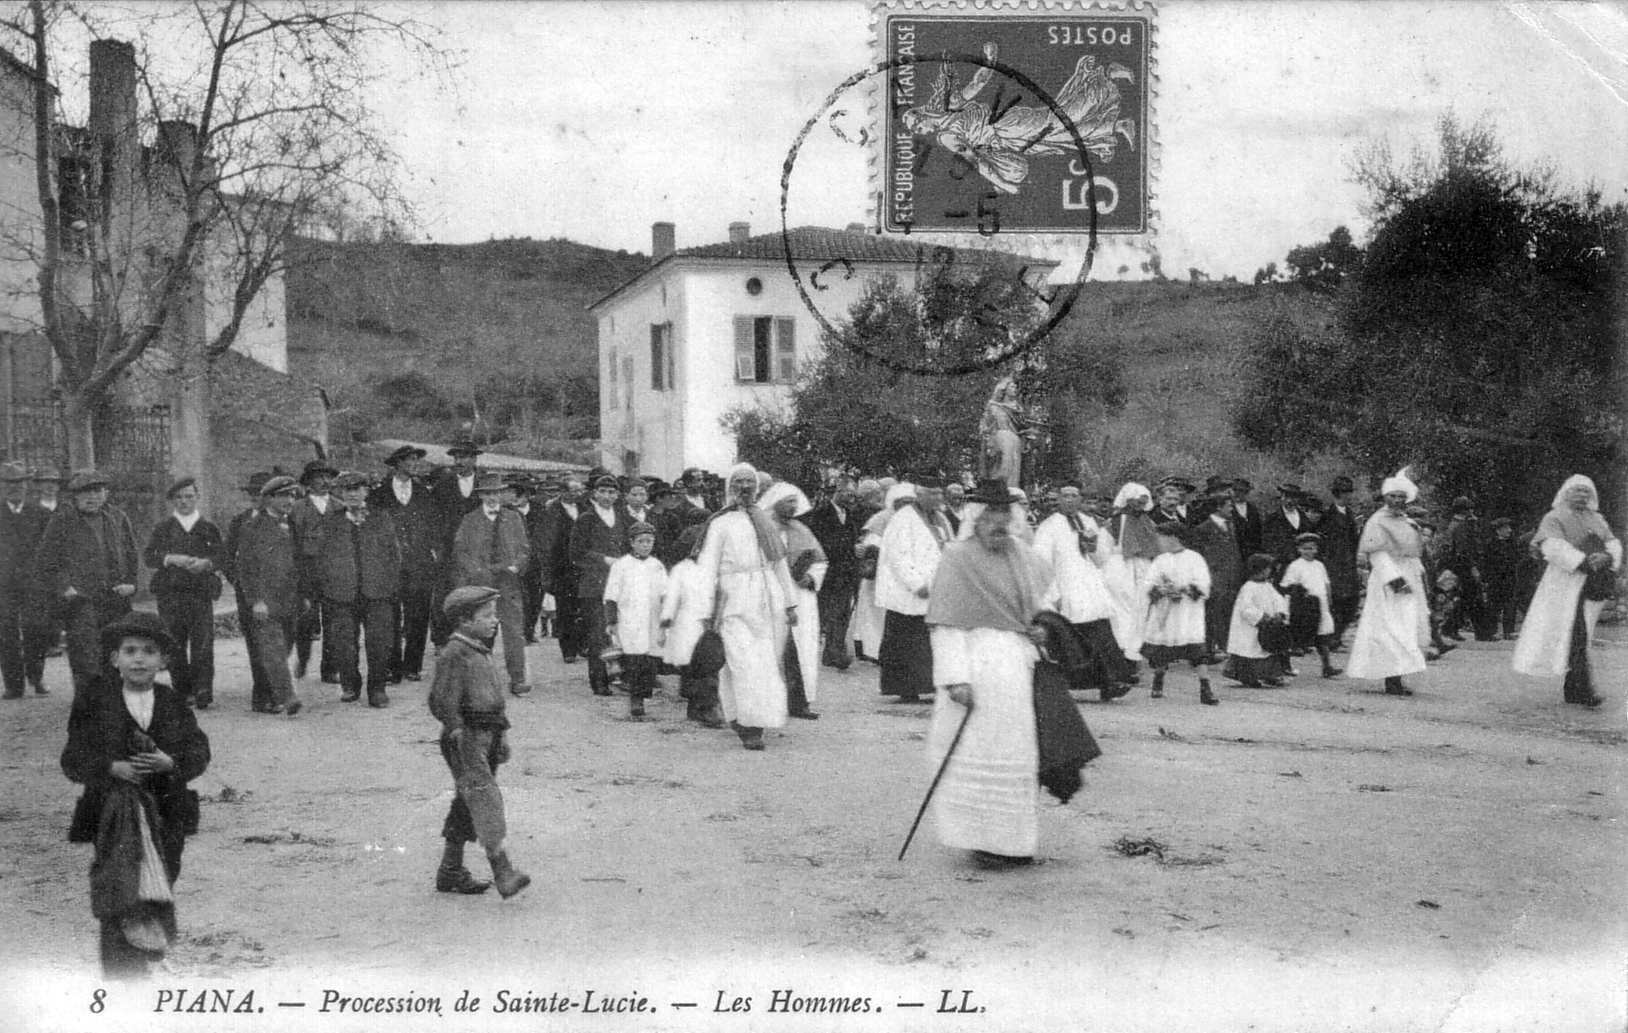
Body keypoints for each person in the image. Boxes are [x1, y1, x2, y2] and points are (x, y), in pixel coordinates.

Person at [62, 612, 210, 976]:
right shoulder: (95, 700)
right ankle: (119, 978)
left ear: (164, 661)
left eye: (148, 651)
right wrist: (111, 768)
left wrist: (169, 762)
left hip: (166, 813)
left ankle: (146, 954)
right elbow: (72, 758)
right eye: (129, 651)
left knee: (161, 882)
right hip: (113, 815)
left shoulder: (172, 701)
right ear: (115, 659)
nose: (139, 659)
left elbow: (199, 752)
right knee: (119, 889)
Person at [923, 478, 1050, 868]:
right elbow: (945, 624)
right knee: (976, 753)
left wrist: (1041, 629)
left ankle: (1014, 843)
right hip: (975, 665)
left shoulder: (1022, 557)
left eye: (1004, 514)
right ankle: (981, 841)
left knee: (1016, 755)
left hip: (1015, 666)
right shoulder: (956, 558)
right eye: (990, 514)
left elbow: (1041, 606)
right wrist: (955, 677)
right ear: (975, 516)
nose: (999, 522)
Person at [427, 586, 531, 899]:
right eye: (486, 616)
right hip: (467, 739)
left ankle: (450, 870)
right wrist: (458, 733)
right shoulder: (455, 654)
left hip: (488, 736)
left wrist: (503, 736)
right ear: (464, 621)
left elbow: (494, 702)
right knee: (485, 799)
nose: (494, 621)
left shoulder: (477, 650)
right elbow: (441, 700)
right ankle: (503, 870)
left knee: (466, 802)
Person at [694, 463, 797, 751]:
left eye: (749, 482)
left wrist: (790, 603)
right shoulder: (720, 523)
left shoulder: (765, 521)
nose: (744, 487)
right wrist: (704, 609)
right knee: (742, 663)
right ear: (730, 487)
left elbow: (779, 563)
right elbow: (707, 567)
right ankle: (748, 726)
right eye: (738, 482)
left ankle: (752, 718)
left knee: (765, 665)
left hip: (767, 601)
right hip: (733, 599)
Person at [1512, 475, 1621, 707]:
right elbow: (1552, 546)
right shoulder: (1554, 517)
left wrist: (1608, 556)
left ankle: (1575, 688)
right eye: (1577, 491)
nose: (1582, 495)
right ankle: (1582, 688)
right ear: (1566, 492)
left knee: (1581, 636)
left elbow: (1612, 542)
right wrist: (1583, 561)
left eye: (1586, 491)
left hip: (1592, 582)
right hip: (1565, 582)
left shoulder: (1598, 519)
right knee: (1576, 634)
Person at [36, 471, 139, 702]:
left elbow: (132, 555)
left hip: (114, 598)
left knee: (115, 652)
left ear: (105, 494)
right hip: (81, 601)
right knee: (85, 656)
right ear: (75, 496)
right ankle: (89, 708)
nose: (91, 497)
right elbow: (46, 561)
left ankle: (114, 704)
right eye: (85, 492)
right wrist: (65, 587)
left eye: (97, 491)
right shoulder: (63, 520)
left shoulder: (117, 517)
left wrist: (132, 584)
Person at [1032, 480, 1130, 699]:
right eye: (1065, 495)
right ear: (1058, 499)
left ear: (1080, 499)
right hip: (1066, 585)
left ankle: (1111, 681)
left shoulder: (1088, 522)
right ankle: (1070, 682)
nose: (1069, 500)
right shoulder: (1049, 526)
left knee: (1101, 631)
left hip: (1089, 585)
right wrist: (1052, 592)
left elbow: (1102, 558)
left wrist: (1093, 547)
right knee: (1072, 637)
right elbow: (1042, 562)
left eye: (1074, 496)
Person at [316, 472, 402, 708]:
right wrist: (328, 587)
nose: (352, 494)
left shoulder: (381, 518)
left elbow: (393, 555)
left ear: (366, 491)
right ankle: (350, 684)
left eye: (357, 488)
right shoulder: (331, 521)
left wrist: (389, 586)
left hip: (377, 593)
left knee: (379, 642)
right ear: (340, 494)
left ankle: (377, 689)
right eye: (347, 489)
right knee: (343, 643)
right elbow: (322, 558)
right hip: (341, 594)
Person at [1346, 469, 1430, 696]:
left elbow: (1412, 552)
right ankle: (1391, 678)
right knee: (1390, 627)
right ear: (1385, 497)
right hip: (1389, 578)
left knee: (1406, 626)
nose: (1397, 500)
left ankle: (1399, 674)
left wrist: (1416, 572)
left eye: (1401, 496)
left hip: (1408, 573)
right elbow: (1377, 553)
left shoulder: (1407, 521)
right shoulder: (1377, 521)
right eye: (1393, 496)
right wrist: (1394, 579)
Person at [142, 477, 224, 709]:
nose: (184, 501)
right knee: (174, 643)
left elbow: (221, 556)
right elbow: (149, 556)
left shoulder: (208, 528)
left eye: (189, 496)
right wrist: (170, 559)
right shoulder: (163, 528)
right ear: (172, 501)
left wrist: (206, 563)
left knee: (203, 643)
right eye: (179, 497)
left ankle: (203, 689)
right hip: (171, 594)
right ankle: (182, 690)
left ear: (197, 497)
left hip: (200, 593)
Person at [453, 474, 533, 696]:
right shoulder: (470, 520)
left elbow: (524, 548)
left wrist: (516, 566)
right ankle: (477, 679)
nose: (492, 497)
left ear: (502, 494)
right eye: (487, 493)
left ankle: (517, 679)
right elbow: (461, 551)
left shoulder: (513, 518)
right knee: (479, 630)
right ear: (480, 496)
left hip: (508, 582)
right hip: (481, 583)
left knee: (514, 632)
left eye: (496, 493)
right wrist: (475, 572)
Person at [877, 475, 953, 703]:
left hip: (938, 588)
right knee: (906, 640)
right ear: (919, 495)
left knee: (930, 641)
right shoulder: (904, 519)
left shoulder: (941, 518)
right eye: (933, 494)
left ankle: (929, 683)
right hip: (910, 592)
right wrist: (916, 583)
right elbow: (898, 555)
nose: (938, 498)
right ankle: (905, 687)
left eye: (940, 493)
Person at [233, 476, 305, 716]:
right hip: (265, 602)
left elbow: (298, 563)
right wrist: (256, 600)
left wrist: (303, 595)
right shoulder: (252, 528)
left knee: (283, 648)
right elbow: (245, 568)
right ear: (269, 499)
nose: (289, 500)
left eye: (293, 496)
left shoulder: (292, 525)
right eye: (284, 495)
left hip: (289, 600)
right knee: (273, 649)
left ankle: (264, 697)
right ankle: (287, 697)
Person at [369, 445, 441, 683]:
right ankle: (392, 667)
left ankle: (413, 665)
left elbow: (433, 526)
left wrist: (432, 552)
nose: (414, 464)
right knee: (390, 614)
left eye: (416, 460)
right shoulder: (378, 495)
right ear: (397, 463)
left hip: (419, 564)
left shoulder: (424, 494)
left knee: (418, 615)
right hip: (389, 564)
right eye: (409, 460)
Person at [761, 481, 827, 720]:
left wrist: (811, 577)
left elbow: (820, 560)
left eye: (794, 502)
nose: (793, 506)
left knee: (803, 646)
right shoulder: (763, 528)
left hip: (801, 597)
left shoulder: (801, 529)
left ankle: (800, 701)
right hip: (774, 593)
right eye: (788, 501)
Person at [1141, 521, 1217, 705]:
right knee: (1162, 649)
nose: (1158, 541)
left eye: (1161, 538)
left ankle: (1205, 688)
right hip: (1166, 610)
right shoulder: (1160, 560)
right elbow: (1149, 582)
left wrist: (1183, 589)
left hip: (1187, 611)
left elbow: (1203, 583)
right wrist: (1161, 589)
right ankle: (1158, 679)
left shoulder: (1194, 558)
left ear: (1172, 538)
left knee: (1196, 650)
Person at [569, 474, 630, 695]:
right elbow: (575, 553)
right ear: (594, 494)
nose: (607, 496)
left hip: (619, 584)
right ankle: (599, 681)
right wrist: (603, 559)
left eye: (611, 492)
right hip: (594, 584)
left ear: (617, 495)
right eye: (602, 491)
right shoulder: (586, 518)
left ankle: (622, 675)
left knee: (621, 629)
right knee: (597, 633)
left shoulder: (623, 517)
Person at [660, 525, 723, 727]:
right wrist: (666, 620)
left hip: (709, 623)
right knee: (691, 665)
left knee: (709, 665)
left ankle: (707, 706)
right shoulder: (681, 570)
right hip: (686, 622)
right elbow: (672, 597)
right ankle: (697, 707)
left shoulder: (715, 568)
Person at [604, 521, 668, 718]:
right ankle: (636, 700)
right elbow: (611, 595)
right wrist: (612, 621)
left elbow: (665, 592)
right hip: (630, 619)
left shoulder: (656, 565)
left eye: (649, 541)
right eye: (641, 541)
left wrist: (667, 616)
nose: (646, 545)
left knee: (650, 659)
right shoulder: (622, 566)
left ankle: (643, 693)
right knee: (634, 659)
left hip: (652, 618)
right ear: (632, 542)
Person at [223, 471, 273, 700]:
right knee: (256, 641)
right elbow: (227, 556)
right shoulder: (240, 521)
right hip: (249, 593)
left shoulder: (283, 521)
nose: (256, 498)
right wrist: (237, 580)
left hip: (277, 591)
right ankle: (262, 694)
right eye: (253, 493)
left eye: (261, 494)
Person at [289, 459, 339, 683]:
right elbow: (292, 543)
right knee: (306, 620)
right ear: (308, 483)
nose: (324, 481)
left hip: (333, 572)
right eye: (318, 477)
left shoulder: (340, 506)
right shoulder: (297, 509)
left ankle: (329, 669)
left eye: (328, 477)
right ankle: (303, 657)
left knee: (333, 620)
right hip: (307, 572)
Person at [803, 475, 861, 670]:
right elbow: (819, 543)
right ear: (838, 492)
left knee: (843, 611)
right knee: (828, 612)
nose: (852, 499)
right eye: (849, 494)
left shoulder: (850, 516)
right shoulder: (819, 515)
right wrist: (848, 548)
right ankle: (832, 651)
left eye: (854, 495)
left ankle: (833, 652)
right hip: (829, 572)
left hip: (847, 572)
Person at [1, 462, 48, 698]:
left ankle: (36, 676)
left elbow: (50, 550)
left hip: (34, 584)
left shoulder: (40, 514)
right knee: (5, 632)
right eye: (9, 483)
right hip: (3, 586)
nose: (14, 488)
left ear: (26, 485)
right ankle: (13, 685)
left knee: (36, 629)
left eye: (19, 483)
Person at [850, 481, 909, 664]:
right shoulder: (882, 518)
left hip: (898, 576)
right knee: (873, 615)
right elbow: (871, 544)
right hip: (878, 576)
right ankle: (872, 651)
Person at [1188, 482, 1242, 664]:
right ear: (1218, 507)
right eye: (1228, 506)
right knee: (1211, 614)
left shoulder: (1231, 525)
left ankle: (1223, 647)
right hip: (1213, 577)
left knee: (1226, 612)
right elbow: (1199, 556)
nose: (1232, 509)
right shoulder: (1203, 529)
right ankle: (1208, 651)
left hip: (1230, 577)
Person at [1280, 532, 1342, 678]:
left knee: (1322, 636)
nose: (1309, 551)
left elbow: (1326, 584)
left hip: (1320, 605)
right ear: (1299, 550)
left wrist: (1329, 599)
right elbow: (1288, 586)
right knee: (1294, 636)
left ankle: (1327, 666)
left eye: (1312, 548)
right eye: (1305, 548)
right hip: (1303, 606)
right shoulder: (1295, 566)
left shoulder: (1319, 565)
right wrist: (1300, 594)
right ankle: (1285, 665)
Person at [538, 475, 585, 663]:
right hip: (562, 569)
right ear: (564, 491)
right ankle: (568, 650)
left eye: (580, 490)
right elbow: (546, 543)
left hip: (582, 568)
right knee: (565, 611)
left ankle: (583, 645)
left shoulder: (584, 508)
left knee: (583, 608)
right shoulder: (552, 510)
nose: (579, 494)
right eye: (574, 490)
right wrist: (548, 573)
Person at [1227, 553, 1290, 688]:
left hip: (1267, 625)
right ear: (1259, 569)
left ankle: (1270, 675)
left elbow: (1278, 599)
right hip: (1250, 626)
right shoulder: (1248, 587)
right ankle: (1248, 677)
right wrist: (1262, 617)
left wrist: (1280, 612)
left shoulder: (1267, 586)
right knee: (1250, 649)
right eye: (1267, 568)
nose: (1270, 571)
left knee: (1267, 648)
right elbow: (1245, 608)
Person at [1439, 496, 1492, 641]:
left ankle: (1450, 627)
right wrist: (1473, 567)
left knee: (1466, 599)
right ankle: (1482, 633)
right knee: (1474, 599)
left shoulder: (1453, 525)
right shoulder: (1461, 527)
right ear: (1466, 510)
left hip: (1458, 566)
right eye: (1470, 508)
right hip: (1465, 567)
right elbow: (1464, 550)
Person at [1320, 476, 1363, 645]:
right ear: (1338, 494)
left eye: (1349, 492)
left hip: (1348, 563)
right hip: (1334, 564)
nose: (1348, 496)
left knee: (1351, 601)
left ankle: (1337, 635)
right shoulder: (1328, 515)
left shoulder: (1350, 514)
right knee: (1337, 600)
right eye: (1345, 493)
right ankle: (1332, 637)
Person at [1261, 483, 1318, 578]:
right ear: (1281, 497)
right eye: (1286, 497)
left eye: (1293, 498)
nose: (1289, 501)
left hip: (1303, 567)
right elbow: (1267, 545)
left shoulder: (1305, 519)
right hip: (1282, 569)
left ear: (1298, 499)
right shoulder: (1272, 519)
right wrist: (1277, 562)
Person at [1482, 517, 1522, 641]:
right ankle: (1492, 632)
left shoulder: (1513, 543)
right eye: (1506, 528)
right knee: (1493, 606)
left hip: (1509, 579)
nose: (1509, 530)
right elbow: (1486, 562)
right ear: (1498, 530)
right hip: (1495, 580)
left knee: (1510, 605)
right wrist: (1487, 578)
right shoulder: (1490, 544)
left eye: (1509, 528)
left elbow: (1517, 559)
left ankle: (1509, 631)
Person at [1230, 477, 1264, 562]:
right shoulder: (1228, 509)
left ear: (1246, 493)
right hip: (1235, 554)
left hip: (1253, 554)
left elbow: (1258, 532)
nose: (1237, 494)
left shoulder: (1253, 509)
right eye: (1235, 490)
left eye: (1241, 491)